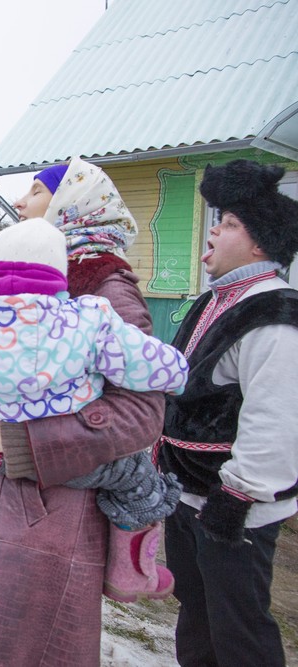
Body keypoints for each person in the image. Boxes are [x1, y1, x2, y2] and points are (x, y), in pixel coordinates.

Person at [0, 157, 165, 666]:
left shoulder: (103, 286)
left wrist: (19, 440)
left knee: (31, 649)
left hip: (51, 514)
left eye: (36, 191)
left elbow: (141, 413)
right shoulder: (22, 273)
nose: (22, 203)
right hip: (3, 496)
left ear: (72, 204)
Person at [0, 218, 187, 601]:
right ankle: (130, 573)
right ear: (58, 275)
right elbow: (144, 362)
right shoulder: (89, 320)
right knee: (136, 475)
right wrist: (176, 375)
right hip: (70, 463)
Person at [156, 159, 298, 667]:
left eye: (230, 223)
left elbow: (276, 417)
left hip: (232, 508)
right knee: (197, 612)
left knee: (239, 628)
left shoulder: (274, 314)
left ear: (260, 243)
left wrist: (237, 497)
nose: (213, 228)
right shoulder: (215, 298)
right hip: (190, 493)